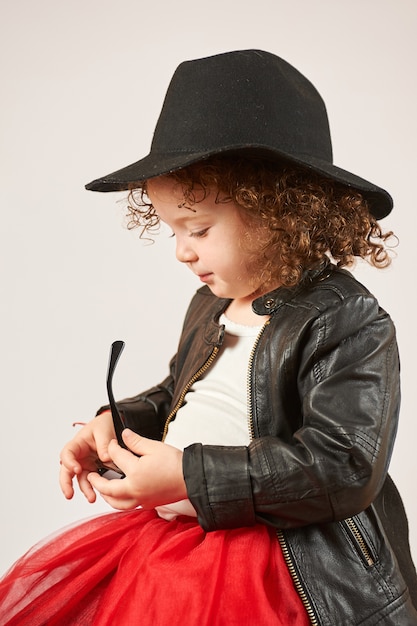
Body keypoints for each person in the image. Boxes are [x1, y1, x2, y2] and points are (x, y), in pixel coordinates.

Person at [0, 49, 416, 626]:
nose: (181, 250)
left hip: (282, 566)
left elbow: (344, 464)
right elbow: (181, 392)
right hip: (174, 542)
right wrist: (118, 425)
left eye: (197, 229)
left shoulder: (346, 319)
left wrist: (189, 476)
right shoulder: (211, 305)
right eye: (172, 229)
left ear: (281, 212)